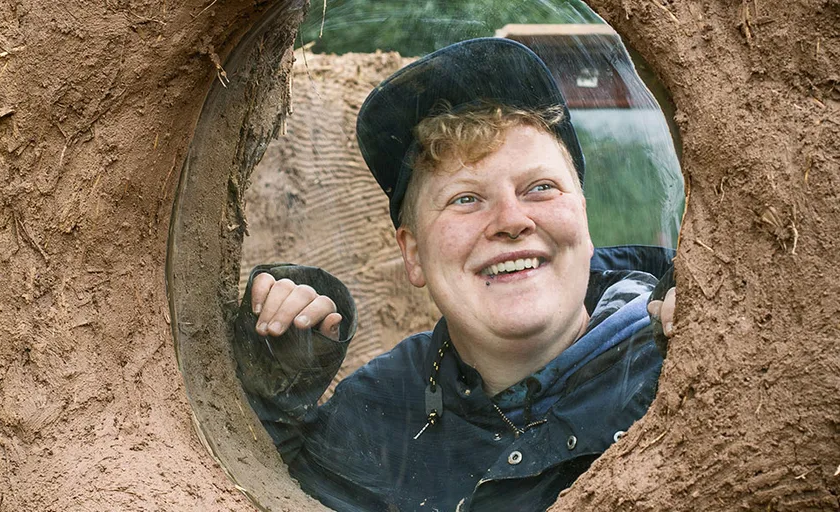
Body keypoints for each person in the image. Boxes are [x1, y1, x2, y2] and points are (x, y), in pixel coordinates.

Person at [230, 38, 677, 511]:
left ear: (583, 221)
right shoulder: (378, 414)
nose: (511, 220)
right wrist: (275, 388)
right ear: (413, 254)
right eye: (466, 199)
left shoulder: (673, 365)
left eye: (540, 188)